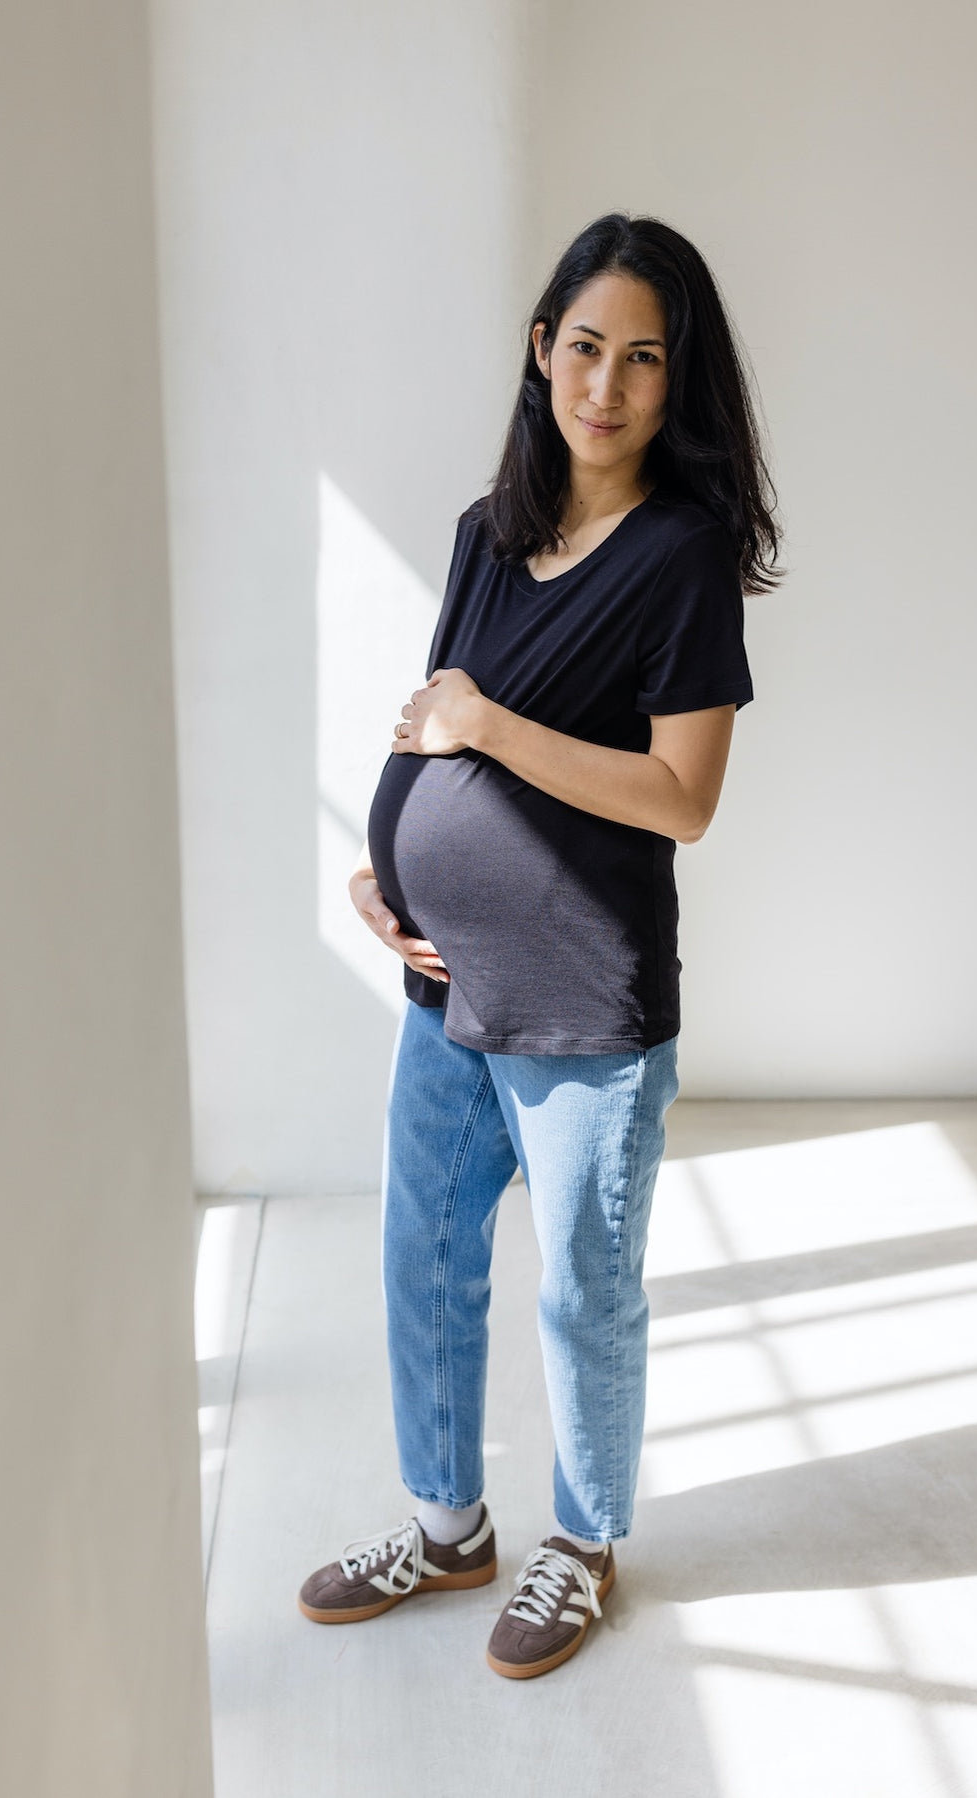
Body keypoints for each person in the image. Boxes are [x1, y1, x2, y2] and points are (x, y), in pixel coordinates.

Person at [297, 211, 784, 1679]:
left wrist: (488, 728)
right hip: (446, 984)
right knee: (425, 1251)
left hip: (588, 1001)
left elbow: (680, 798)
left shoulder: (685, 559)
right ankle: (449, 1528)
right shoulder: (486, 534)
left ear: (676, 380)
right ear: (540, 349)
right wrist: (387, 875)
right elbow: (425, 731)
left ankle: (581, 1544)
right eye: (586, 347)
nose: (608, 384)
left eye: (645, 357)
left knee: (582, 1282)